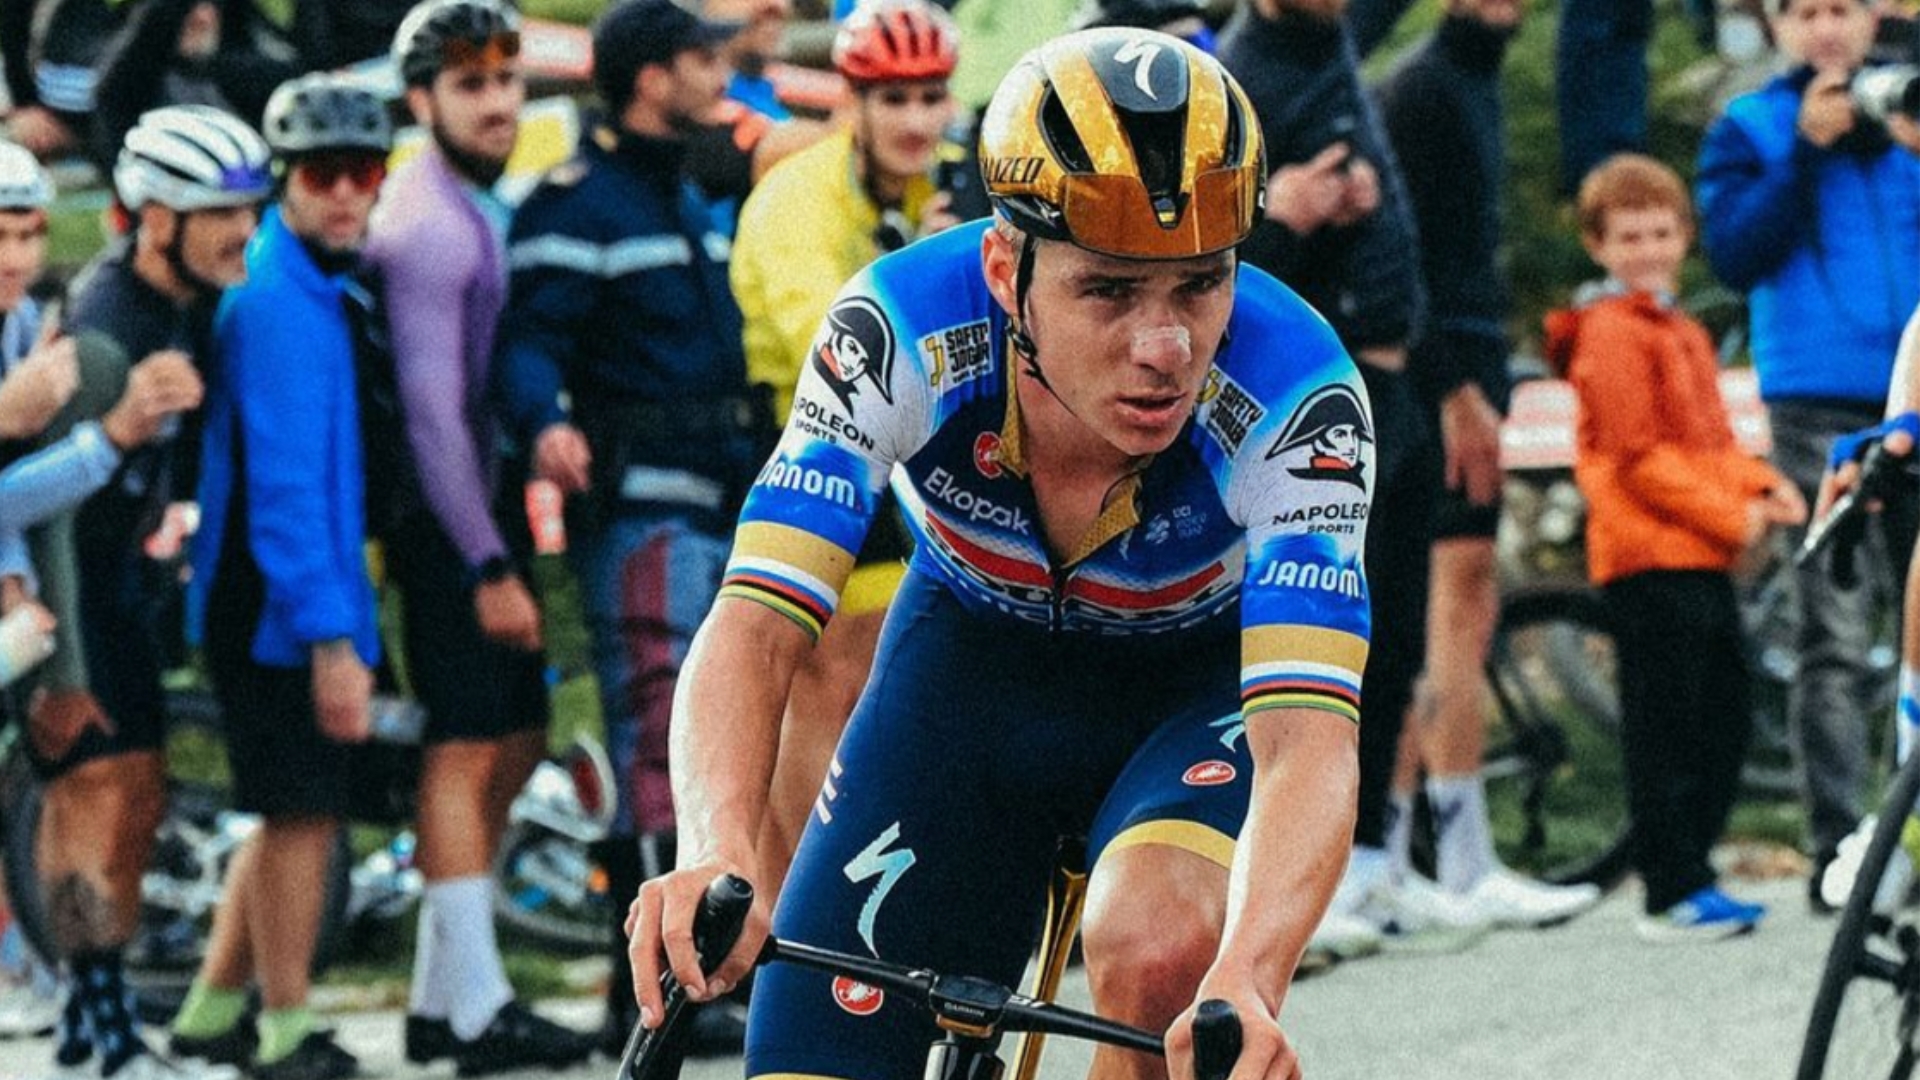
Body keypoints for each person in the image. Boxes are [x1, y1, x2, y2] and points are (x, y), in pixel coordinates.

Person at [629, 27, 1371, 1080]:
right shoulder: (898, 329)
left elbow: (1309, 740)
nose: (1165, 348)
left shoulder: (1299, 398)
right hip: (967, 666)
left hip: (1193, 689)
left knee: (1160, 951)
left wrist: (1249, 974)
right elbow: (754, 622)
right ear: (1003, 268)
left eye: (1201, 284)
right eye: (1108, 290)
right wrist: (715, 846)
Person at [494, 0, 766, 1053]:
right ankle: (652, 999)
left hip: (721, 502)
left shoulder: (687, 189)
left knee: (711, 736)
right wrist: (545, 423)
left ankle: (697, 980)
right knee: (656, 736)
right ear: (650, 78)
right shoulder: (576, 204)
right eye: (700, 57)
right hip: (644, 507)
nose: (718, 71)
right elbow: (525, 343)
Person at [365, 1, 597, 1071]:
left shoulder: (467, 202)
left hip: (475, 511)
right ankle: (474, 1009)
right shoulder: (424, 225)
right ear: (422, 99)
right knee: (466, 749)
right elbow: (432, 422)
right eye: (471, 85)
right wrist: (487, 562)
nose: (499, 103)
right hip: (446, 520)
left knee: (515, 737)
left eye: (508, 81)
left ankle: (440, 994)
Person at [156, 73, 393, 1080]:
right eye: (319, 174)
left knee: (286, 806)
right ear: (284, 182)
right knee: (303, 815)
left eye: (363, 173)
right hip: (274, 602)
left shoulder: (309, 282)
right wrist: (331, 638)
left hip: (287, 592)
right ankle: (285, 1029)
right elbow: (288, 490)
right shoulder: (277, 301)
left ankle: (213, 1010)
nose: (343, 194)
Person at [31, 103, 264, 1080]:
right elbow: (41, 510)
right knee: (94, 799)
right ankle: (104, 1038)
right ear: (159, 218)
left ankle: (88, 1030)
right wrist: (58, 672)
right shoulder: (105, 332)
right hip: (69, 603)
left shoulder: (184, 303)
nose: (246, 230)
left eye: (251, 208)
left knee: (135, 798)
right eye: (224, 212)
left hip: (121, 594)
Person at [1216, 0, 1441, 955]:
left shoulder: (1332, 37)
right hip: (1310, 398)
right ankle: (1286, 885)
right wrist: (1284, 212)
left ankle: (1371, 863)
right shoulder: (1237, 76)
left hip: (1398, 381)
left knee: (1394, 642)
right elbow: (1199, 259)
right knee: (1319, 648)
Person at [1373, 0, 1601, 926]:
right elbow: (1399, 261)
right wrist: (1451, 389)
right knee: (1428, 613)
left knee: (1460, 609)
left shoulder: (1477, 79)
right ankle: (1406, 860)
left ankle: (1443, 857)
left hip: (1473, 361)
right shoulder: (1419, 89)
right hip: (1435, 378)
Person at [729, 0, 961, 896]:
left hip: (895, 448)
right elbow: (827, 346)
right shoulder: (801, 195)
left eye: (930, 98)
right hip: (805, 437)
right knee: (828, 674)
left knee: (880, 667)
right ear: (850, 102)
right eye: (893, 99)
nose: (915, 120)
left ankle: (849, 881)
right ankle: (805, 896)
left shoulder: (930, 189)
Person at [1545, 153, 1805, 941]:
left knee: (1724, 716)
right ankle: (1670, 886)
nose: (1648, 250)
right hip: (1647, 558)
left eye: (1661, 233)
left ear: (1685, 237)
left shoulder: (1682, 329)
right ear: (1598, 245)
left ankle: (1695, 871)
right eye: (1630, 237)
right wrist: (1732, 519)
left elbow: (1711, 443)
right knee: (1665, 728)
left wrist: (1763, 486)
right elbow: (1637, 458)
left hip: (1698, 554)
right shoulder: (1611, 332)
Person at [1697, 0, 1920, 912]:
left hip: (1912, 389)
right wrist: (1805, 151)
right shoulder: (1750, 125)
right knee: (1833, 627)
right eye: (1806, 11)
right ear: (1778, 26)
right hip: (1815, 395)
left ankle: (1908, 835)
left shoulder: (1905, 107)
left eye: (1843, 8)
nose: (1827, 29)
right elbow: (1734, 255)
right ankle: (1840, 848)